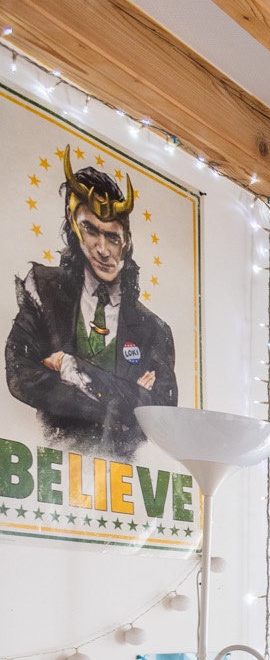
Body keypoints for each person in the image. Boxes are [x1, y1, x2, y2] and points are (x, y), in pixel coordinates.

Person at [5, 148, 178, 459]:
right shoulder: (44, 289)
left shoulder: (154, 329)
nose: (103, 249)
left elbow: (162, 417)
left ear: (126, 241)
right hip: (54, 458)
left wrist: (72, 368)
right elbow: (21, 375)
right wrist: (126, 399)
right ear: (74, 229)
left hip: (122, 468)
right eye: (91, 230)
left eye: (112, 237)